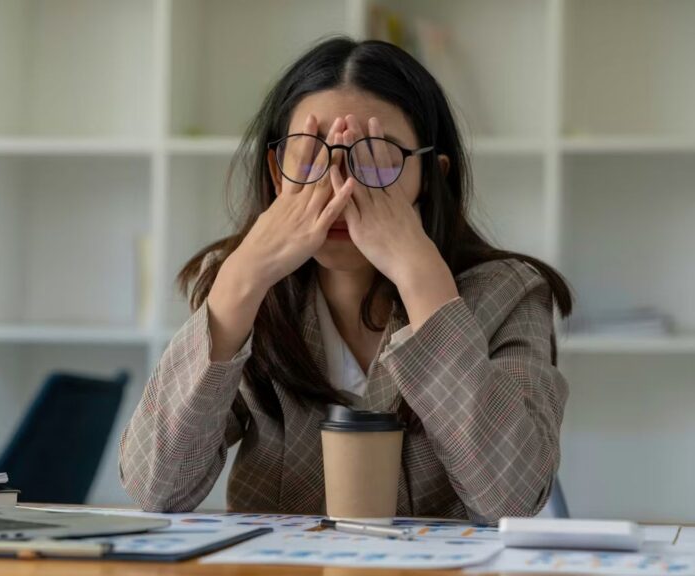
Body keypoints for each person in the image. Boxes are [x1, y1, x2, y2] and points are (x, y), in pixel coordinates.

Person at [119, 37, 572, 523]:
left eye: (375, 156)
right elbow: (156, 489)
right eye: (310, 154)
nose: (339, 185)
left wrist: (425, 284)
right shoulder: (244, 289)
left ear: (431, 176)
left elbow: (511, 499)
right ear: (277, 173)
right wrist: (239, 283)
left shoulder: (510, 292)